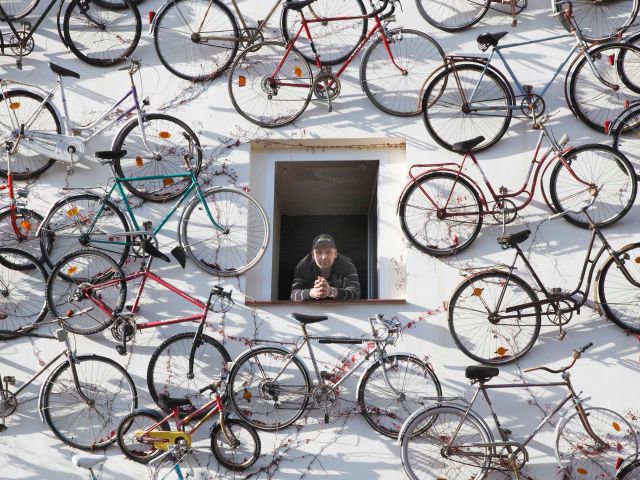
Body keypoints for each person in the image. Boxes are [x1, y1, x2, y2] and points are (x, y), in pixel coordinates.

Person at [290, 233, 360, 301]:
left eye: (328, 252)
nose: (324, 257)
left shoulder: (347, 266)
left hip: (341, 311)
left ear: (335, 253)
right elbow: (293, 295)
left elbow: (355, 294)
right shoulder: (302, 267)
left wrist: (331, 291)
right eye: (319, 252)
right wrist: (312, 293)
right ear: (313, 255)